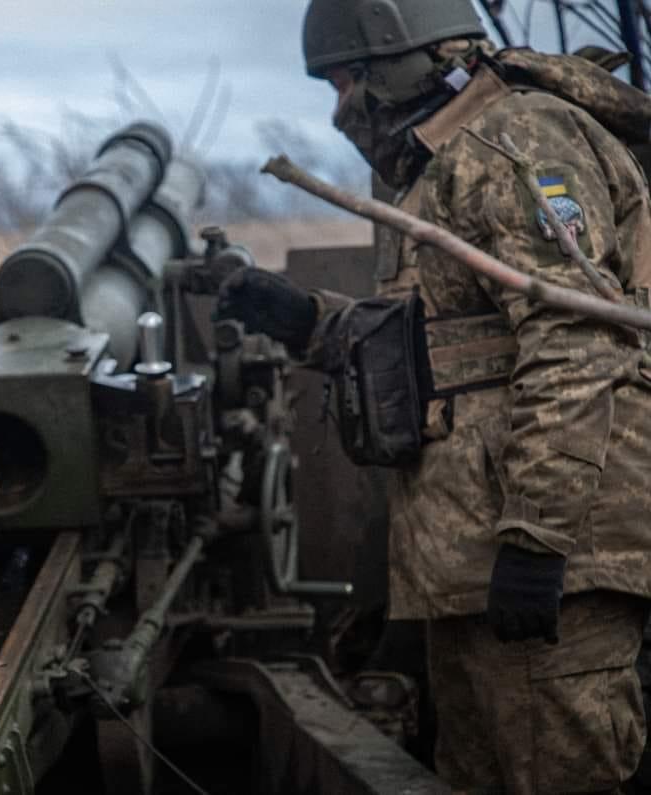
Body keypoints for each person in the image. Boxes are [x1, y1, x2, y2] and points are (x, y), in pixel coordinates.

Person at [218, 2, 651, 791]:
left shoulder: (512, 141)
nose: (338, 106)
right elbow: (448, 351)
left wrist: (536, 538)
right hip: (473, 563)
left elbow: (578, 341)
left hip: (549, 562)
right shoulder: (442, 165)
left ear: (393, 66)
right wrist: (306, 321)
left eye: (343, 81)